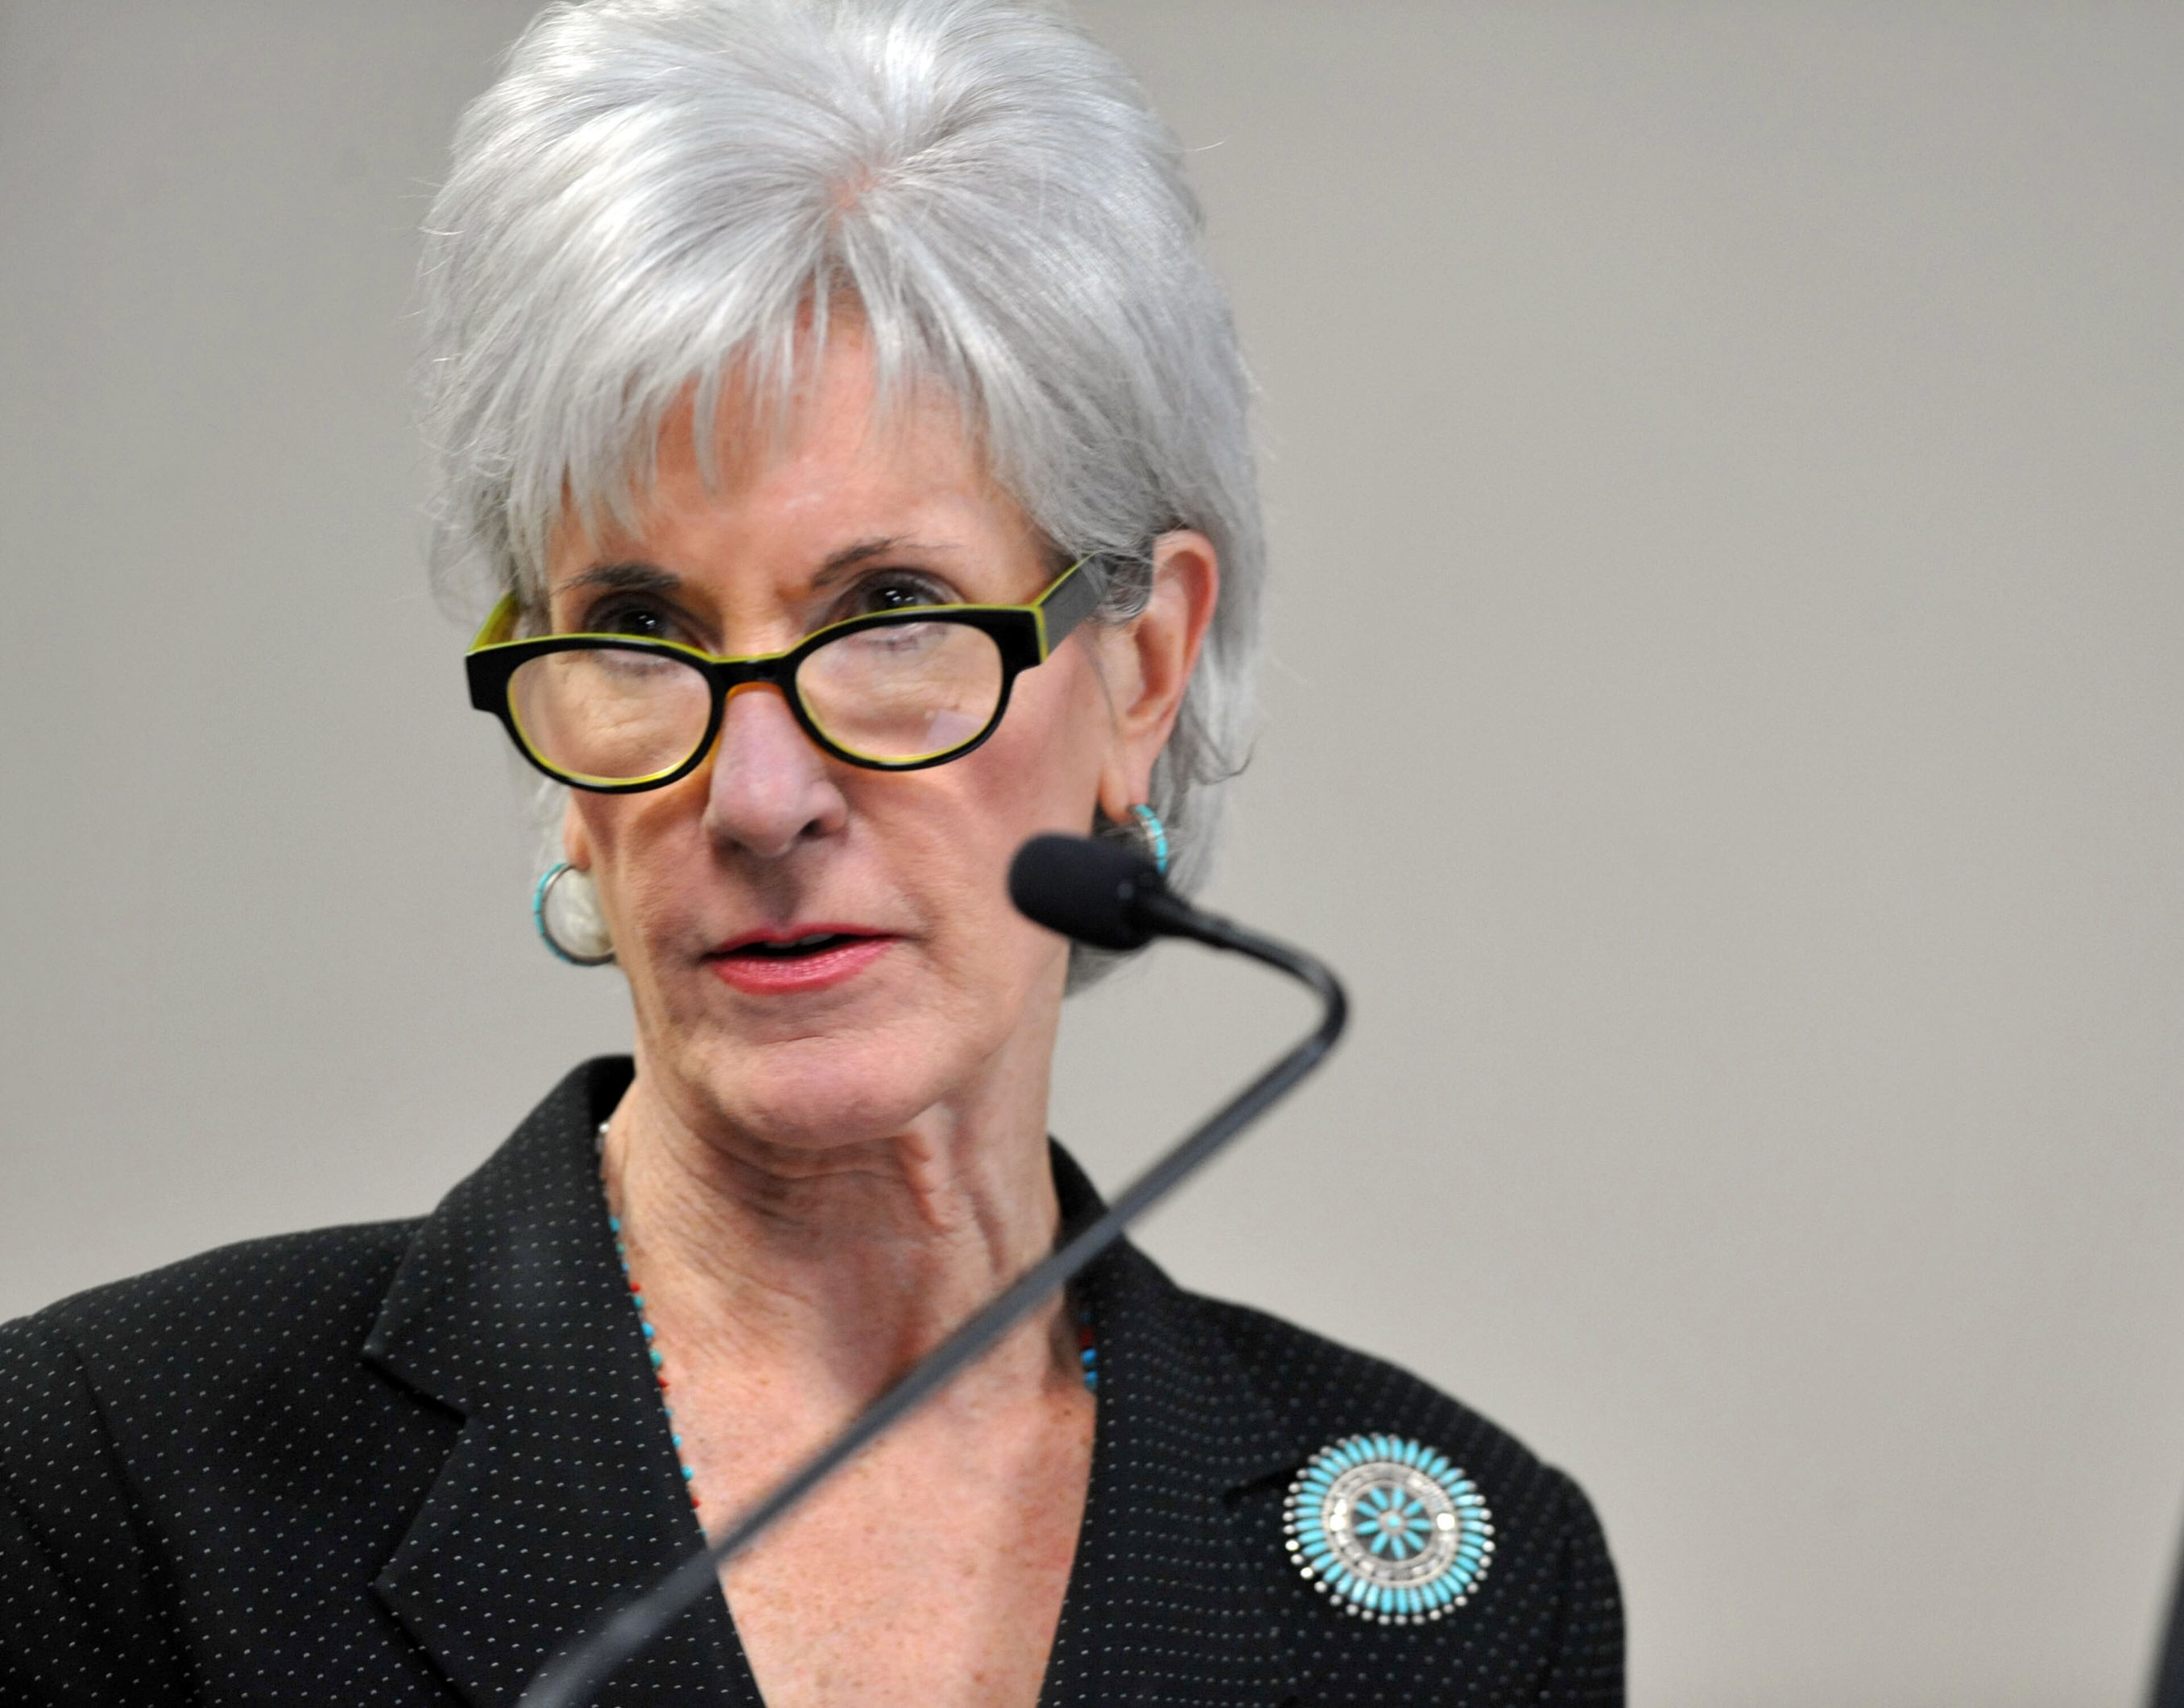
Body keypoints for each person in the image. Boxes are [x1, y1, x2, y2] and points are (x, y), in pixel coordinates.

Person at [0, 2, 1622, 1703]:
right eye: (640, 629)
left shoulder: (1480, 1597)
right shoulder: (107, 1486)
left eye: (895, 609)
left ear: (1142, 671)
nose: (760, 797)